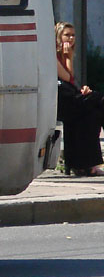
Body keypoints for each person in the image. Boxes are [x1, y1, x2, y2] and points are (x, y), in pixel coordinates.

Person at [56, 21, 104, 176]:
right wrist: (69, 57)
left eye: (73, 35)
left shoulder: (65, 54)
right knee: (99, 100)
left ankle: (86, 165)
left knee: (94, 115)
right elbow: (67, 77)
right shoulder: (54, 55)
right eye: (67, 35)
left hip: (70, 97)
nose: (70, 38)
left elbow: (71, 84)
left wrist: (82, 91)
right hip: (61, 102)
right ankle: (87, 165)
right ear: (58, 36)